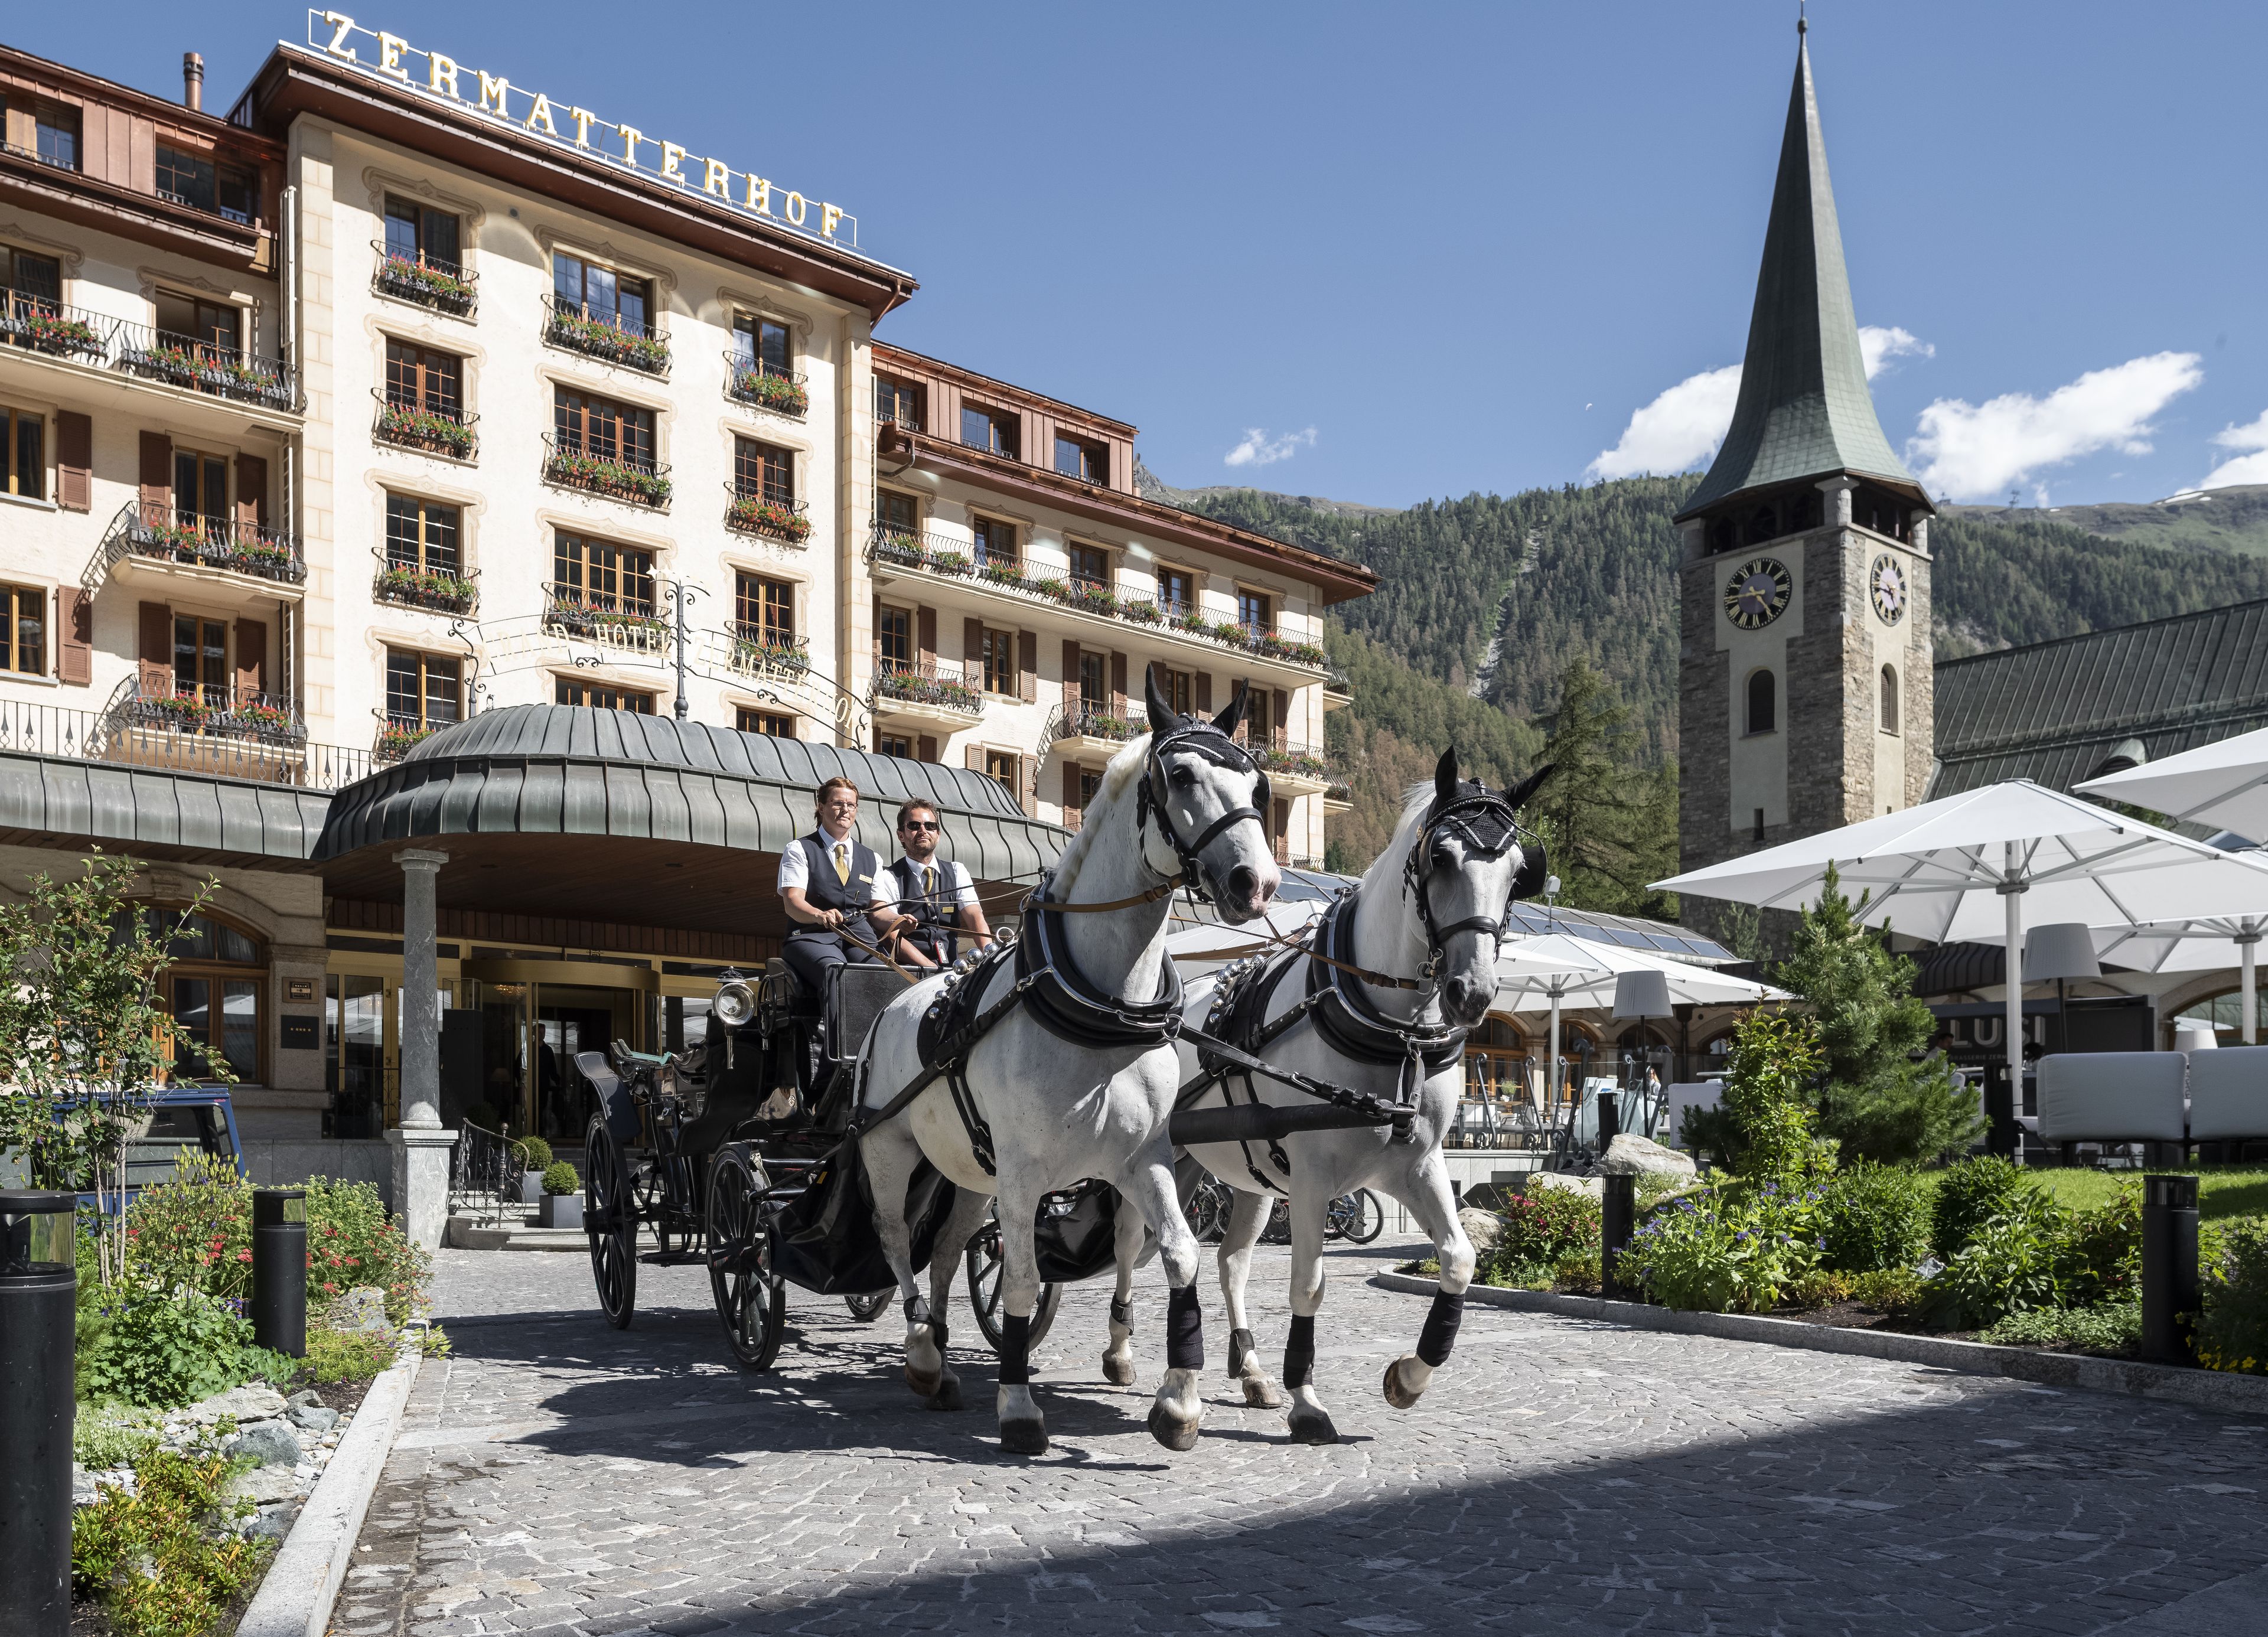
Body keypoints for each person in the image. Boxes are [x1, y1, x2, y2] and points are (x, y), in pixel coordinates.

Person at [775, 777, 914, 1006]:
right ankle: (838, 1032)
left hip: (860, 939)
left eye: (851, 805)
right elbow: (792, 902)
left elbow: (878, 910)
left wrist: (897, 920)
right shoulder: (800, 849)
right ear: (821, 807)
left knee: (888, 979)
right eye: (838, 803)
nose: (845, 810)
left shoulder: (872, 858)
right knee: (838, 973)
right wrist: (819, 915)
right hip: (812, 937)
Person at [881, 798, 993, 969]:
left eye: (930, 826)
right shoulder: (889, 877)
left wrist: (991, 957)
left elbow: (975, 916)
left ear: (938, 835)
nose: (923, 831)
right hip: (910, 972)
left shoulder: (957, 871)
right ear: (901, 835)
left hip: (952, 971)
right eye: (914, 826)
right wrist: (931, 970)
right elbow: (891, 935)